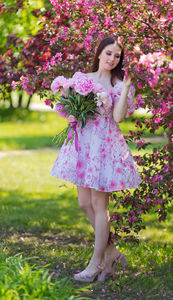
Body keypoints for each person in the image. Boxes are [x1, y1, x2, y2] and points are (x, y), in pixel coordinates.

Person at [50, 36, 141, 282]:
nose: (112, 59)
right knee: (83, 203)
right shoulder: (82, 80)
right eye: (108, 53)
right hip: (83, 145)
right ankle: (110, 253)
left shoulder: (119, 84)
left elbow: (120, 117)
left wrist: (125, 86)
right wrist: (72, 114)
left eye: (117, 56)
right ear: (99, 53)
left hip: (105, 146)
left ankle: (95, 264)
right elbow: (69, 107)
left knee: (100, 206)